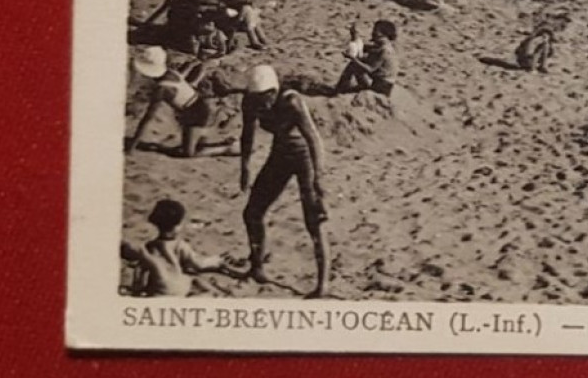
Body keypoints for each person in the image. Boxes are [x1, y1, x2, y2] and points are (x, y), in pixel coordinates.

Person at [240, 65, 330, 298]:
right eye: (257, 99)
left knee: (314, 219)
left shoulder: (291, 102)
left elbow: (314, 140)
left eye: (265, 98)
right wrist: (245, 166)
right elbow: (247, 134)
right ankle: (257, 266)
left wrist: (319, 177)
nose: (262, 105)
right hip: (279, 153)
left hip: (304, 157)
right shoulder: (250, 102)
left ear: (273, 92)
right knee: (252, 212)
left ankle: (322, 285)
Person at [121, 198, 235, 296]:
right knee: (192, 278)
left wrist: (138, 289)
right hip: (178, 289)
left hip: (158, 290)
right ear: (176, 227)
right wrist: (215, 261)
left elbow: (141, 270)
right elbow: (197, 264)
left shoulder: (150, 246)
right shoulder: (180, 245)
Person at [126, 46, 214, 158]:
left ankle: (227, 148)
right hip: (197, 106)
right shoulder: (171, 73)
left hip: (197, 113)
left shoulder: (162, 89)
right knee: (194, 146)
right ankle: (204, 140)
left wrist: (132, 146)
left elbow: (147, 119)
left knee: (188, 154)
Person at [336, 19, 400, 94]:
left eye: (375, 30)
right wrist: (354, 35)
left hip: (381, 87)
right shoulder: (382, 46)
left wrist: (353, 58)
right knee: (358, 63)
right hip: (380, 82)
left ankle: (339, 90)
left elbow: (370, 69)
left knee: (354, 65)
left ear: (382, 34)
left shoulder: (385, 50)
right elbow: (362, 46)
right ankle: (342, 89)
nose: (372, 33)